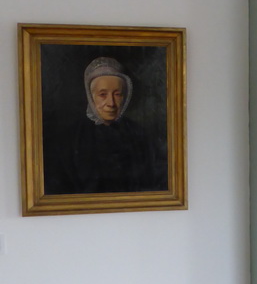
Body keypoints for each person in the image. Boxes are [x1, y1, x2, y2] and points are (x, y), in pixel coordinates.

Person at [44, 56, 166, 194]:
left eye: (117, 94)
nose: (111, 103)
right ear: (90, 96)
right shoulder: (70, 139)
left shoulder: (140, 136)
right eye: (102, 94)